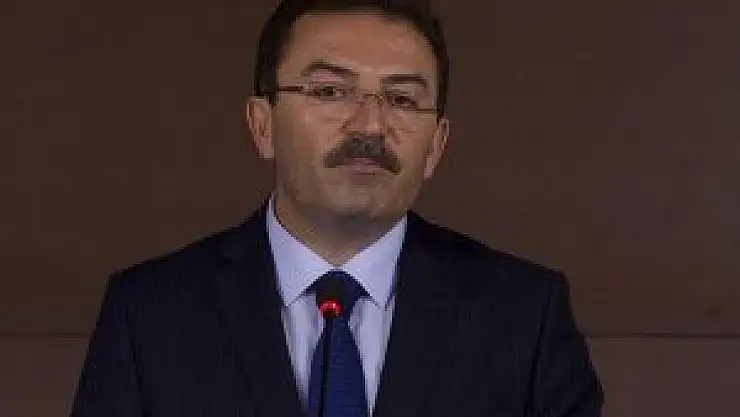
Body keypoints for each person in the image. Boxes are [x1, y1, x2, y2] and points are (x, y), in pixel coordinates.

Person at [70, 0, 604, 416]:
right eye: (330, 92)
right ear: (262, 125)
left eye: (401, 99)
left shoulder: (524, 318)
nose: (370, 125)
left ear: (436, 146)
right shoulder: (149, 317)